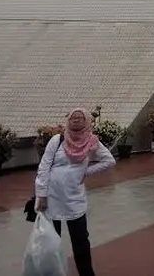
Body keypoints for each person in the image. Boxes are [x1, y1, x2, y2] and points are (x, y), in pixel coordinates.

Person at [35, 107, 116, 276]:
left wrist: (86, 172)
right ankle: (52, 272)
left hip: (74, 199)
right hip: (51, 197)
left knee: (80, 240)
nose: (76, 120)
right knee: (50, 240)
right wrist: (41, 194)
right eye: (73, 117)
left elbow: (109, 161)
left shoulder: (92, 142)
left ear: (87, 121)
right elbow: (44, 167)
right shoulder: (57, 140)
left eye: (80, 117)